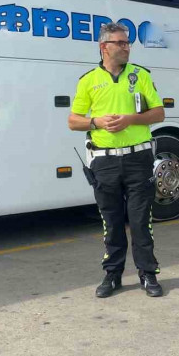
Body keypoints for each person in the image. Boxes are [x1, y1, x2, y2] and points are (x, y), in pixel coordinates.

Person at [68, 22, 165, 298]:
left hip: (138, 159)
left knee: (139, 221)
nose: (126, 47)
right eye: (120, 43)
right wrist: (95, 121)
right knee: (111, 221)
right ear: (104, 47)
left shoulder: (141, 75)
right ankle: (113, 274)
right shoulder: (88, 81)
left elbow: (158, 114)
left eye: (127, 43)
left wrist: (130, 120)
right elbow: (73, 121)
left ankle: (148, 274)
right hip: (104, 162)